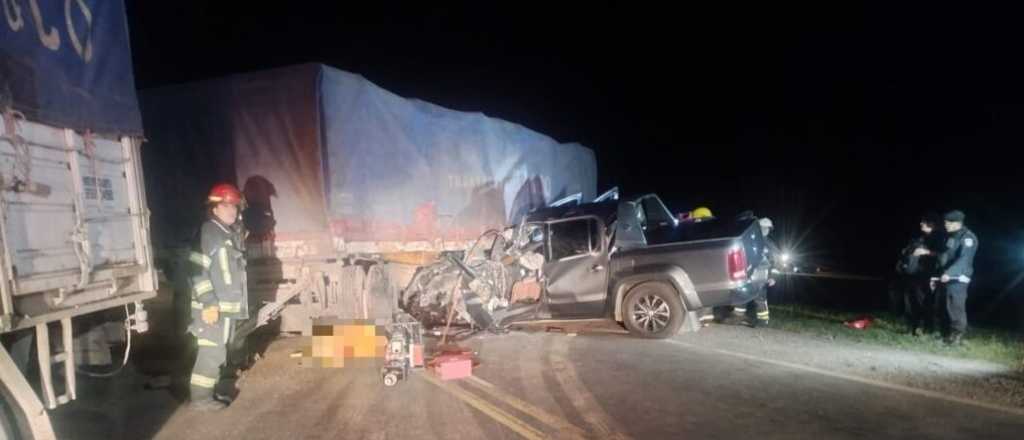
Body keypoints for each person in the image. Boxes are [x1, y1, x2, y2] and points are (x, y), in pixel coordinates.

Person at [187, 183, 250, 410]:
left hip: (224, 309)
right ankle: (201, 399)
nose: (231, 210)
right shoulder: (210, 232)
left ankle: (208, 394)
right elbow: (196, 272)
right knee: (211, 353)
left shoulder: (228, 233)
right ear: (214, 208)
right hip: (212, 309)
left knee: (218, 351)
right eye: (225, 206)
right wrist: (209, 303)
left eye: (234, 206)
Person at [928, 210, 978, 346]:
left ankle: (957, 337)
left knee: (955, 308)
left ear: (957, 223)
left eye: (948, 223)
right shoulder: (951, 236)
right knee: (943, 306)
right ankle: (945, 334)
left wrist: (949, 273)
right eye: (945, 222)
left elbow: (964, 259)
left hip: (958, 278)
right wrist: (936, 276)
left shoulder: (968, 238)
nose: (945, 225)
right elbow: (944, 257)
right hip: (945, 277)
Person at [899, 214, 942, 336]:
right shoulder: (919, 237)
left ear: (931, 223)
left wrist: (927, 252)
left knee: (925, 302)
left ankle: (926, 328)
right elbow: (908, 251)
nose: (920, 224)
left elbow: (943, 255)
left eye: (923, 222)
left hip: (927, 275)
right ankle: (911, 327)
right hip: (912, 274)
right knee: (909, 301)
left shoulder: (939, 238)